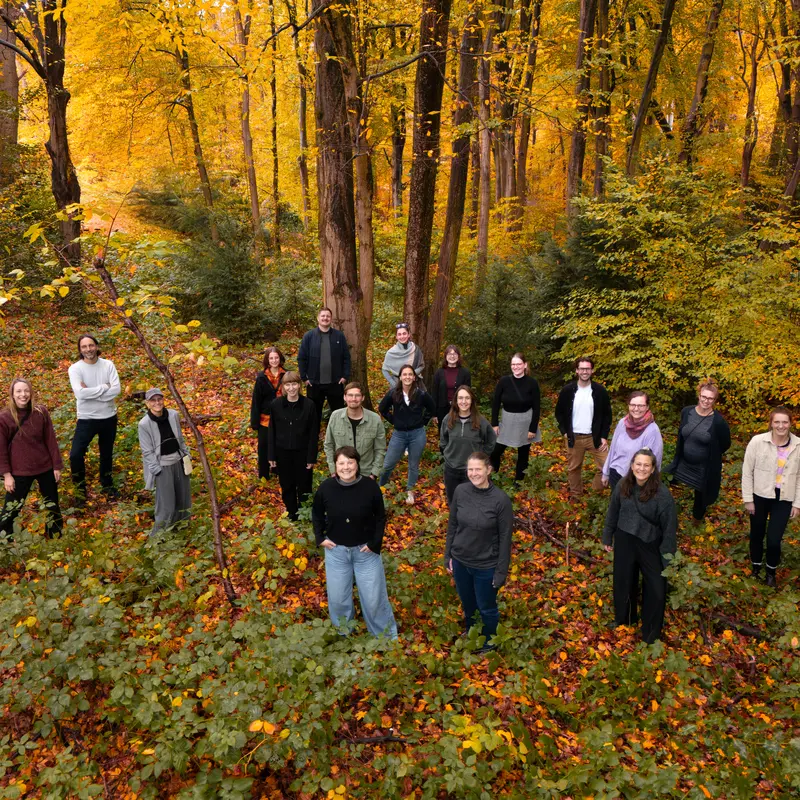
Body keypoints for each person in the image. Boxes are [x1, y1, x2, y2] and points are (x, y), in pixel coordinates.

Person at [312, 446, 398, 639]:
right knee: (338, 599)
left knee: (373, 598)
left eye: (350, 462)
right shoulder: (326, 488)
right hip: (337, 553)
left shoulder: (370, 487)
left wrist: (375, 543)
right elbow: (316, 514)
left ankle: (385, 637)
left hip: (365, 553)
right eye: (341, 463)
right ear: (335, 465)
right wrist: (320, 538)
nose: (346, 467)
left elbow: (380, 517)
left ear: (357, 464)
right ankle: (344, 634)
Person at [602, 449, 677, 644]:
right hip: (624, 538)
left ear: (653, 469)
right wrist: (607, 537)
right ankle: (625, 619)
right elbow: (613, 512)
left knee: (656, 588)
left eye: (646, 465)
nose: (641, 468)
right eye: (638, 464)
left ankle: (651, 634)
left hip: (649, 543)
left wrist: (667, 557)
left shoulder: (662, 495)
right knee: (623, 581)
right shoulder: (622, 485)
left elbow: (669, 528)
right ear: (632, 465)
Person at [444, 451, 513, 651]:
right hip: (460, 561)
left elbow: (505, 539)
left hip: (486, 566)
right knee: (468, 603)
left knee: (487, 607)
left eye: (478, 469)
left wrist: (501, 572)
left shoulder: (501, 501)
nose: (473, 473)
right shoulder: (461, 491)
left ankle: (490, 642)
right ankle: (472, 632)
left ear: (489, 470)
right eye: (470, 469)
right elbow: (453, 524)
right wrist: (448, 554)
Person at [741, 407, 800, 588]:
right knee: (757, 534)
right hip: (760, 495)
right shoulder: (758, 442)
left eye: (785, 422)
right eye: (777, 422)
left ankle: (771, 572)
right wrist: (748, 499)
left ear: (790, 423)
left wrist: (797, 503)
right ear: (771, 423)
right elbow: (747, 471)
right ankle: (756, 568)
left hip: (784, 498)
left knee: (774, 540)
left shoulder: (798, 445)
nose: (781, 426)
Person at [0, 378, 63, 538]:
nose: (23, 395)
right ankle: (5, 541)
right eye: (19, 391)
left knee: (52, 506)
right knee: (10, 510)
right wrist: (7, 475)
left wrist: (56, 465)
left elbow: (50, 439)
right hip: (19, 471)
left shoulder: (40, 412)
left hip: (45, 467)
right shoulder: (5, 417)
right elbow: (0, 449)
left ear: (31, 392)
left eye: (26, 391)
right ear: (12, 395)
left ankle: (55, 536)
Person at [666, 379, 731, 524]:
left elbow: (725, 444)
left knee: (701, 495)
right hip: (683, 461)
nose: (706, 401)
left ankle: (696, 521)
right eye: (704, 397)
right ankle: (668, 514)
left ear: (714, 400)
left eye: (710, 398)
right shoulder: (687, 412)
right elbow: (682, 434)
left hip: (703, 467)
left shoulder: (718, 422)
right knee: (670, 483)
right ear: (699, 395)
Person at [68, 334, 121, 503]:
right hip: (86, 418)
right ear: (80, 350)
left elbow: (117, 389)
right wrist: (104, 388)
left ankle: (107, 485)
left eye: (91, 345)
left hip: (108, 417)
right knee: (75, 455)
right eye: (84, 347)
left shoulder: (108, 365)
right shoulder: (75, 369)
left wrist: (91, 393)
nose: (88, 349)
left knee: (106, 454)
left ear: (96, 346)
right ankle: (80, 492)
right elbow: (79, 394)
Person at [554, 357, 612, 497]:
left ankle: (595, 495)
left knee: (606, 466)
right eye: (582, 368)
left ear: (592, 370)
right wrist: (564, 432)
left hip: (595, 437)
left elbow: (607, 415)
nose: (584, 371)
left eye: (587, 368)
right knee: (574, 468)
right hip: (574, 437)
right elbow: (559, 413)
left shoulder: (600, 391)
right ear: (577, 370)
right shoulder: (568, 390)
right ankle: (576, 496)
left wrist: (604, 436)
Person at [137, 388, 192, 536]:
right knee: (166, 505)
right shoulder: (144, 424)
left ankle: (181, 531)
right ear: (148, 403)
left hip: (179, 462)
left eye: (159, 399)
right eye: (153, 400)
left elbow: (179, 438)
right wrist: (157, 470)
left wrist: (186, 456)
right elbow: (147, 451)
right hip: (163, 466)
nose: (157, 403)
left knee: (184, 500)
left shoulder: (173, 415)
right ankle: (158, 537)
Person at [378, 365, 436, 505]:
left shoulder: (421, 394)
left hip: (417, 434)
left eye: (410, 374)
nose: (408, 377)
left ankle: (410, 491)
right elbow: (382, 408)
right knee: (387, 464)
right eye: (405, 374)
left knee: (413, 465)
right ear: (400, 377)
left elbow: (432, 408)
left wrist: (423, 421)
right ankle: (380, 488)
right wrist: (394, 421)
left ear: (414, 377)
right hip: (399, 434)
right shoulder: (393, 393)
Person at [268, 371, 318, 521]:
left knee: (304, 485)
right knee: (287, 485)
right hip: (282, 452)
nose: (291, 388)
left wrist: (311, 457)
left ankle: (304, 513)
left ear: (299, 385)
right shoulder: (276, 405)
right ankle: (292, 513)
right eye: (288, 384)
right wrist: (271, 455)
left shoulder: (309, 405)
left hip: (302, 452)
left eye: (294, 384)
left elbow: (313, 433)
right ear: (283, 387)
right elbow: (271, 431)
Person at [440, 386, 496, 504]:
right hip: (451, 469)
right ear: (455, 400)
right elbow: (443, 441)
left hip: (472, 471)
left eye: (467, 398)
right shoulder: (448, 419)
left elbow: (491, 440)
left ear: (472, 401)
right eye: (460, 398)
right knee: (453, 502)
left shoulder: (480, 421)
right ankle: (455, 522)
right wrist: (447, 453)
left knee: (472, 502)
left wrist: (482, 456)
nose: (463, 401)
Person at [490, 353, 540, 484]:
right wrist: (494, 424)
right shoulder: (504, 381)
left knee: (523, 453)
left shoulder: (532, 383)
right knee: (495, 452)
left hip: (525, 421)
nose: (516, 367)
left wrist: (532, 428)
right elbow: (495, 403)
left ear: (525, 365)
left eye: (518, 364)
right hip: (507, 421)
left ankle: (519, 482)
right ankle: (493, 476)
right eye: (513, 364)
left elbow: (537, 407)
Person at [297, 308, 350, 425]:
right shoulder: (309, 336)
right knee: (314, 415)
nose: (325, 318)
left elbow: (346, 357)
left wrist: (345, 376)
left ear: (331, 319)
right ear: (318, 318)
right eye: (323, 316)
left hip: (335, 383)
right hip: (314, 383)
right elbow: (301, 358)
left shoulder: (339, 336)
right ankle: (313, 441)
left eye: (328, 316)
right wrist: (304, 378)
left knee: (339, 414)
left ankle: (339, 440)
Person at [324, 382, 386, 480]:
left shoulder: (375, 419)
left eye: (357, 395)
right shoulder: (335, 416)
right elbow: (328, 445)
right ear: (344, 397)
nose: (353, 399)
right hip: (342, 473)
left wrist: (374, 473)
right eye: (350, 395)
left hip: (366, 474)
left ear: (363, 398)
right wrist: (333, 470)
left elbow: (380, 449)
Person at [602, 391, 663, 489]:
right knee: (616, 504)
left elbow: (656, 460)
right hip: (616, 473)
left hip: (637, 479)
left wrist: (651, 483)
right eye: (633, 405)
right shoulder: (622, 423)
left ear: (647, 407)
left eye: (641, 406)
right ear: (628, 406)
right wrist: (606, 472)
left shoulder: (652, 430)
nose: (636, 409)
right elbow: (613, 448)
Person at [249, 347, 287, 481]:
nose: (274, 360)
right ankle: (264, 475)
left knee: (280, 444)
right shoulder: (261, 378)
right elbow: (256, 400)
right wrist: (254, 422)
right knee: (264, 447)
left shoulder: (286, 375)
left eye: (276, 357)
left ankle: (279, 470)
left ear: (280, 358)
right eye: (271, 358)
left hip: (283, 418)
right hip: (265, 419)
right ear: (267, 360)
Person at [431, 345, 471, 428]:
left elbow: (468, 394)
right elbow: (434, 394)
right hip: (442, 410)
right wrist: (434, 414)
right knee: (443, 435)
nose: (452, 356)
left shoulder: (465, 373)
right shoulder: (439, 373)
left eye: (455, 354)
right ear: (445, 356)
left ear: (458, 356)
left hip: (460, 408)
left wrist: (468, 410)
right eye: (449, 354)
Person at [381, 322, 424, 390]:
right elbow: (384, 370)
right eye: (399, 334)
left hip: (414, 384)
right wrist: (394, 383)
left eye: (404, 333)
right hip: (397, 386)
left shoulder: (416, 349)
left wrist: (411, 375)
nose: (402, 336)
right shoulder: (391, 352)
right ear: (396, 336)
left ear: (408, 334)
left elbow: (421, 366)